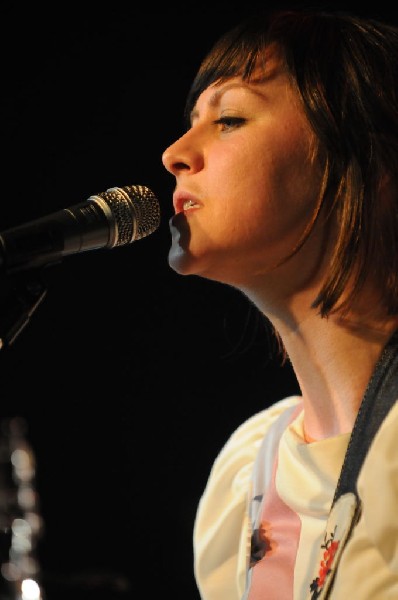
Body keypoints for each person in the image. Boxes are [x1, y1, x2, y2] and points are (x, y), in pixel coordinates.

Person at [161, 5, 398, 599]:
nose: (175, 153)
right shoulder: (247, 474)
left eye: (231, 118)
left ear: (366, 163)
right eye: (192, 121)